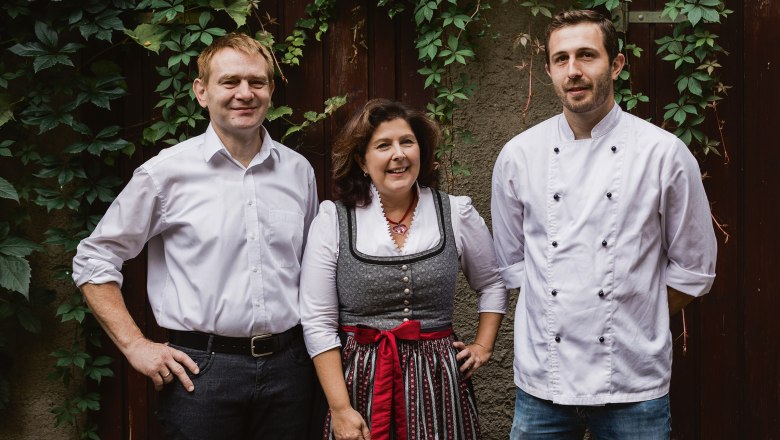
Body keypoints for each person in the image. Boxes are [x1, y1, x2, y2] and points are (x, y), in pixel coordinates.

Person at [72, 33, 319, 439]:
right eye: (230, 82)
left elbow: (312, 271)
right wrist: (134, 345)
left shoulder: (297, 171)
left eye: (257, 82)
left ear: (271, 90)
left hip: (290, 370)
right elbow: (95, 257)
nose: (245, 93)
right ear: (201, 92)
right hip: (201, 373)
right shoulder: (166, 173)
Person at [491, 9, 718, 439]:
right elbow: (514, 265)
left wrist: (629, 313)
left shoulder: (663, 154)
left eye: (587, 55)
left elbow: (694, 269)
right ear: (549, 70)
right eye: (561, 59)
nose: (573, 70)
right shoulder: (518, 156)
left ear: (616, 64)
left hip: (632, 381)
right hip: (542, 383)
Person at [300, 99, 507, 440]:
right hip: (361, 381)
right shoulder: (333, 220)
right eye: (383, 145)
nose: (398, 154)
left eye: (407, 142)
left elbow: (492, 283)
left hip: (439, 382)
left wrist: (483, 346)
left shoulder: (455, 213)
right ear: (362, 160)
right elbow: (318, 321)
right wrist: (340, 408)